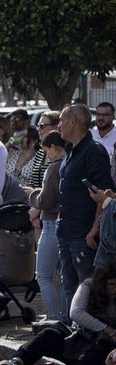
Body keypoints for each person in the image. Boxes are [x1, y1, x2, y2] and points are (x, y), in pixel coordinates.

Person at [0, 265, 116, 365]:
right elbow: (76, 313)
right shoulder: (88, 286)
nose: (114, 290)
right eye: (111, 285)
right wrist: (107, 329)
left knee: (97, 356)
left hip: (101, 351)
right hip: (78, 341)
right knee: (49, 334)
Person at [56, 104, 111, 312]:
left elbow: (104, 194)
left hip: (84, 234)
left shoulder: (93, 151)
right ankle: (72, 335)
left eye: (61, 120)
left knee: (86, 290)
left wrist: (95, 228)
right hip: (66, 230)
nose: (58, 125)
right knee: (68, 285)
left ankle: (89, 336)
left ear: (72, 122)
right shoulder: (69, 150)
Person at [28, 131, 67, 325]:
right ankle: (65, 316)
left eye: (46, 151)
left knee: (43, 275)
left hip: (51, 223)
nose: (46, 155)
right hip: (63, 222)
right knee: (62, 275)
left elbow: (46, 199)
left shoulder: (54, 168)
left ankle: (54, 317)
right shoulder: (68, 163)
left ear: (53, 148)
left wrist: (32, 194)